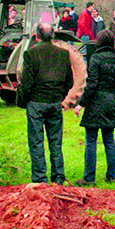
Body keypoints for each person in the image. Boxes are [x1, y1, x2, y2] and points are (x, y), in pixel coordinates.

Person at [16, 23, 75, 184]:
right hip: (54, 102)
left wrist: (22, 101)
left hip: (36, 102)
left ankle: (40, 178)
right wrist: (59, 95)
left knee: (36, 142)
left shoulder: (31, 54)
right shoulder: (63, 54)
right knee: (56, 142)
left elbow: (26, 82)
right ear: (53, 35)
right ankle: (58, 177)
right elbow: (69, 81)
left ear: (37, 36)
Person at [74, 31, 115, 185]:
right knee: (109, 140)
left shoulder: (95, 58)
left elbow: (91, 85)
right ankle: (112, 175)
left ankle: (89, 177)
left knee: (91, 140)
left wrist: (81, 103)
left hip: (95, 103)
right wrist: (110, 86)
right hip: (110, 101)